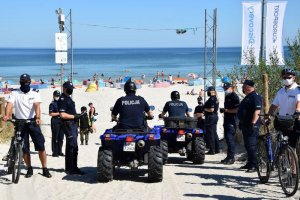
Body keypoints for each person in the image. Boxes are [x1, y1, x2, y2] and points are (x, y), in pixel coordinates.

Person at [3, 73, 51, 178]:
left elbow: (37, 106)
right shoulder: (15, 93)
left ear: (29, 82)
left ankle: (44, 168)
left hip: (32, 122)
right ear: (20, 82)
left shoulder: (35, 93)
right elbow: (9, 104)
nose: (24, 83)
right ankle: (29, 167)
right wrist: (6, 115)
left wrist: (38, 118)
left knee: (41, 147)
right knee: (24, 148)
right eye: (22, 81)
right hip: (20, 123)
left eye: (26, 81)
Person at [267, 68, 300, 148]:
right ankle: (281, 159)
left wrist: (298, 111)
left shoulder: (298, 90)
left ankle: (292, 160)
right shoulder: (280, 91)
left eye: (289, 77)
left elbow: (299, 102)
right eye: (284, 78)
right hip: (282, 121)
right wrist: (268, 115)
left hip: (293, 121)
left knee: (292, 146)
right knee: (281, 145)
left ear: (294, 78)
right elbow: (274, 105)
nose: (286, 79)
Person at [58, 81, 84, 175]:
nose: (71, 90)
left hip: (72, 124)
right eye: (69, 89)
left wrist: (77, 116)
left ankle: (70, 167)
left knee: (71, 146)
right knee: (73, 146)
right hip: (68, 124)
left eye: (72, 89)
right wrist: (75, 117)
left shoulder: (68, 98)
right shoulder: (62, 99)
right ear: (64, 88)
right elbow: (62, 114)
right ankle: (72, 168)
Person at [237, 80, 262, 173]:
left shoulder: (255, 97)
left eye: (244, 86)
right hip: (245, 124)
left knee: (252, 145)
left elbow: (257, 111)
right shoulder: (248, 97)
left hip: (252, 125)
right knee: (247, 145)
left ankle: (254, 165)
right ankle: (250, 162)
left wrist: (253, 123)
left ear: (248, 87)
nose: (243, 88)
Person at [219, 82, 240, 165]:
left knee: (230, 140)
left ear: (231, 88)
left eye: (227, 88)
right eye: (224, 88)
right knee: (227, 140)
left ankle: (231, 158)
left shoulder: (234, 97)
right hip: (227, 120)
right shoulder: (227, 96)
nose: (225, 90)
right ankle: (228, 157)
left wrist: (226, 110)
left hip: (232, 121)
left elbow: (237, 110)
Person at [204, 86, 220, 155]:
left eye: (208, 91)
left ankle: (212, 150)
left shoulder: (211, 99)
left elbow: (211, 109)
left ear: (211, 91)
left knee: (211, 134)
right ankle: (217, 149)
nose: (207, 92)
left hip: (211, 117)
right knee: (214, 133)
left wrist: (204, 109)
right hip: (214, 116)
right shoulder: (215, 98)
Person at [49, 90, 64, 157]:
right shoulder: (52, 104)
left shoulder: (62, 103)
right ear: (53, 96)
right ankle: (54, 152)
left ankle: (60, 151)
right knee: (55, 137)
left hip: (62, 121)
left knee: (61, 137)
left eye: (58, 96)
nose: (57, 97)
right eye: (56, 96)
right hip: (55, 120)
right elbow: (51, 113)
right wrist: (59, 113)